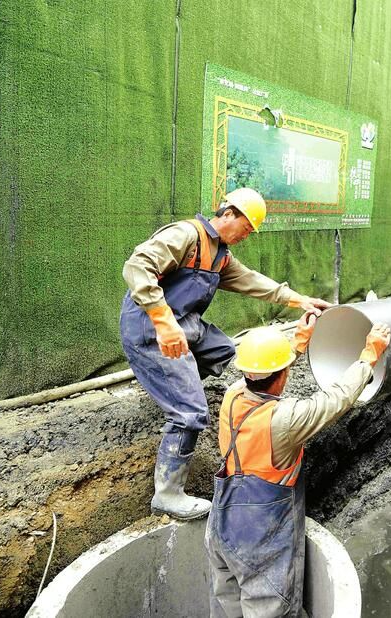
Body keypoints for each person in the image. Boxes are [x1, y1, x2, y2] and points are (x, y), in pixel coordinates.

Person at [120, 188, 331, 520]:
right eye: (246, 227)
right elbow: (137, 266)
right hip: (149, 325)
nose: (246, 236)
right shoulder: (186, 235)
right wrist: (163, 322)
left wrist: (299, 300)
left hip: (181, 323)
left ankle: (170, 386)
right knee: (191, 413)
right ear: (229, 213)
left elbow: (253, 282)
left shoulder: (219, 255)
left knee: (221, 349)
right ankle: (167, 493)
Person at [205, 316, 391, 617]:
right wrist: (368, 356)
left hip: (222, 527)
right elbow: (335, 400)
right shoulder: (283, 420)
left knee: (226, 610)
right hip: (261, 541)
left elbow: (259, 371)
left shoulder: (232, 395)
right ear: (282, 375)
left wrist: (296, 345)